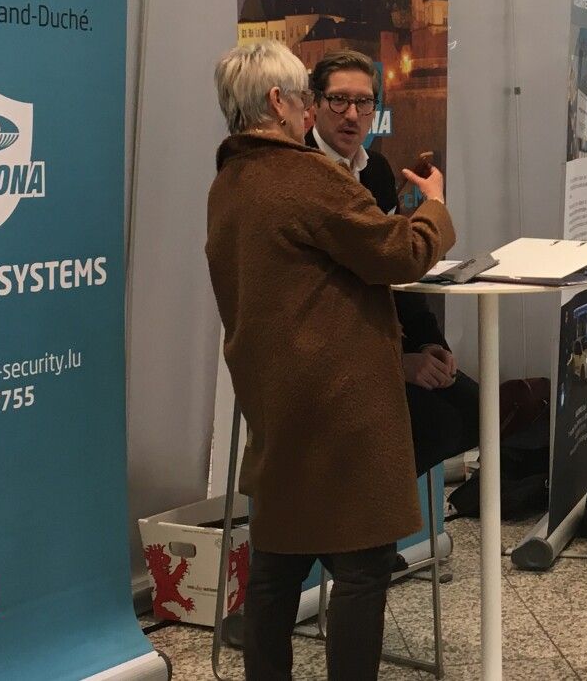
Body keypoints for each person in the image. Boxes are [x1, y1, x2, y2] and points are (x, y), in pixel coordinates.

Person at [205, 41, 455, 681]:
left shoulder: (228, 183)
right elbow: (400, 253)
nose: (317, 111)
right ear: (278, 101)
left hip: (276, 398)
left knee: (277, 568)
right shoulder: (306, 176)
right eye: (310, 99)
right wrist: (434, 207)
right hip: (341, 402)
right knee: (363, 569)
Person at [307, 48, 479, 476]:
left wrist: (429, 345)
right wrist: (397, 365)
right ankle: (358, 513)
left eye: (364, 102)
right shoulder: (302, 172)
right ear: (314, 103)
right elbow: (326, 303)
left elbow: (396, 272)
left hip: (383, 342)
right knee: (437, 427)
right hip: (332, 362)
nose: (352, 115)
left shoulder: (376, 170)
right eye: (339, 100)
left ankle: (374, 509)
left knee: (476, 411)